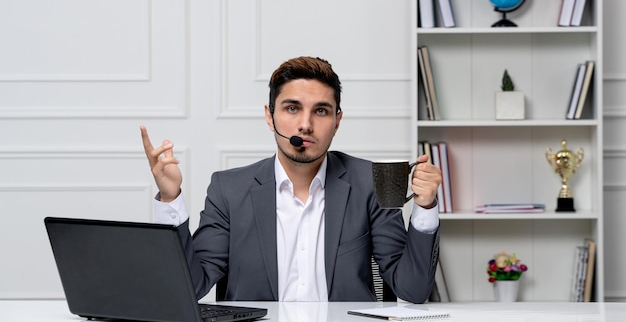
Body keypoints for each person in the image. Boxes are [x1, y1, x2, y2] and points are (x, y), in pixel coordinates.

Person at [140, 56, 441, 303]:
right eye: (292, 108)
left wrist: (425, 208)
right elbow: (188, 288)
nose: (306, 124)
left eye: (320, 111)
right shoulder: (229, 190)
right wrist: (170, 199)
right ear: (270, 116)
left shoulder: (369, 182)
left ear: (337, 121)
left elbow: (412, 290)